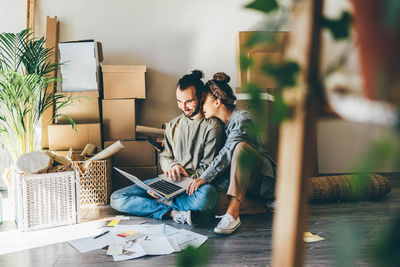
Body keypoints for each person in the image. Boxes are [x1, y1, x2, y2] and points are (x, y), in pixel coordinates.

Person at [110, 70, 224, 226]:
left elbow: (208, 167)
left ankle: (165, 202)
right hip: (169, 181)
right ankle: (172, 212)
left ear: (200, 97)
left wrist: (173, 191)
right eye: (179, 101)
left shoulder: (212, 127)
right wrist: (172, 166)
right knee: (117, 198)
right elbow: (164, 156)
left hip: (193, 185)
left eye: (189, 101)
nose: (183, 107)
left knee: (208, 196)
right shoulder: (173, 125)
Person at [196, 72, 277, 234]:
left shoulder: (242, 118)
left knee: (240, 148)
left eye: (203, 101)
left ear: (217, 102)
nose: (201, 106)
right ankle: (265, 205)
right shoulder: (221, 125)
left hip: (263, 180)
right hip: (246, 187)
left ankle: (233, 215)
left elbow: (227, 153)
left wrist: (204, 177)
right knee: (212, 202)